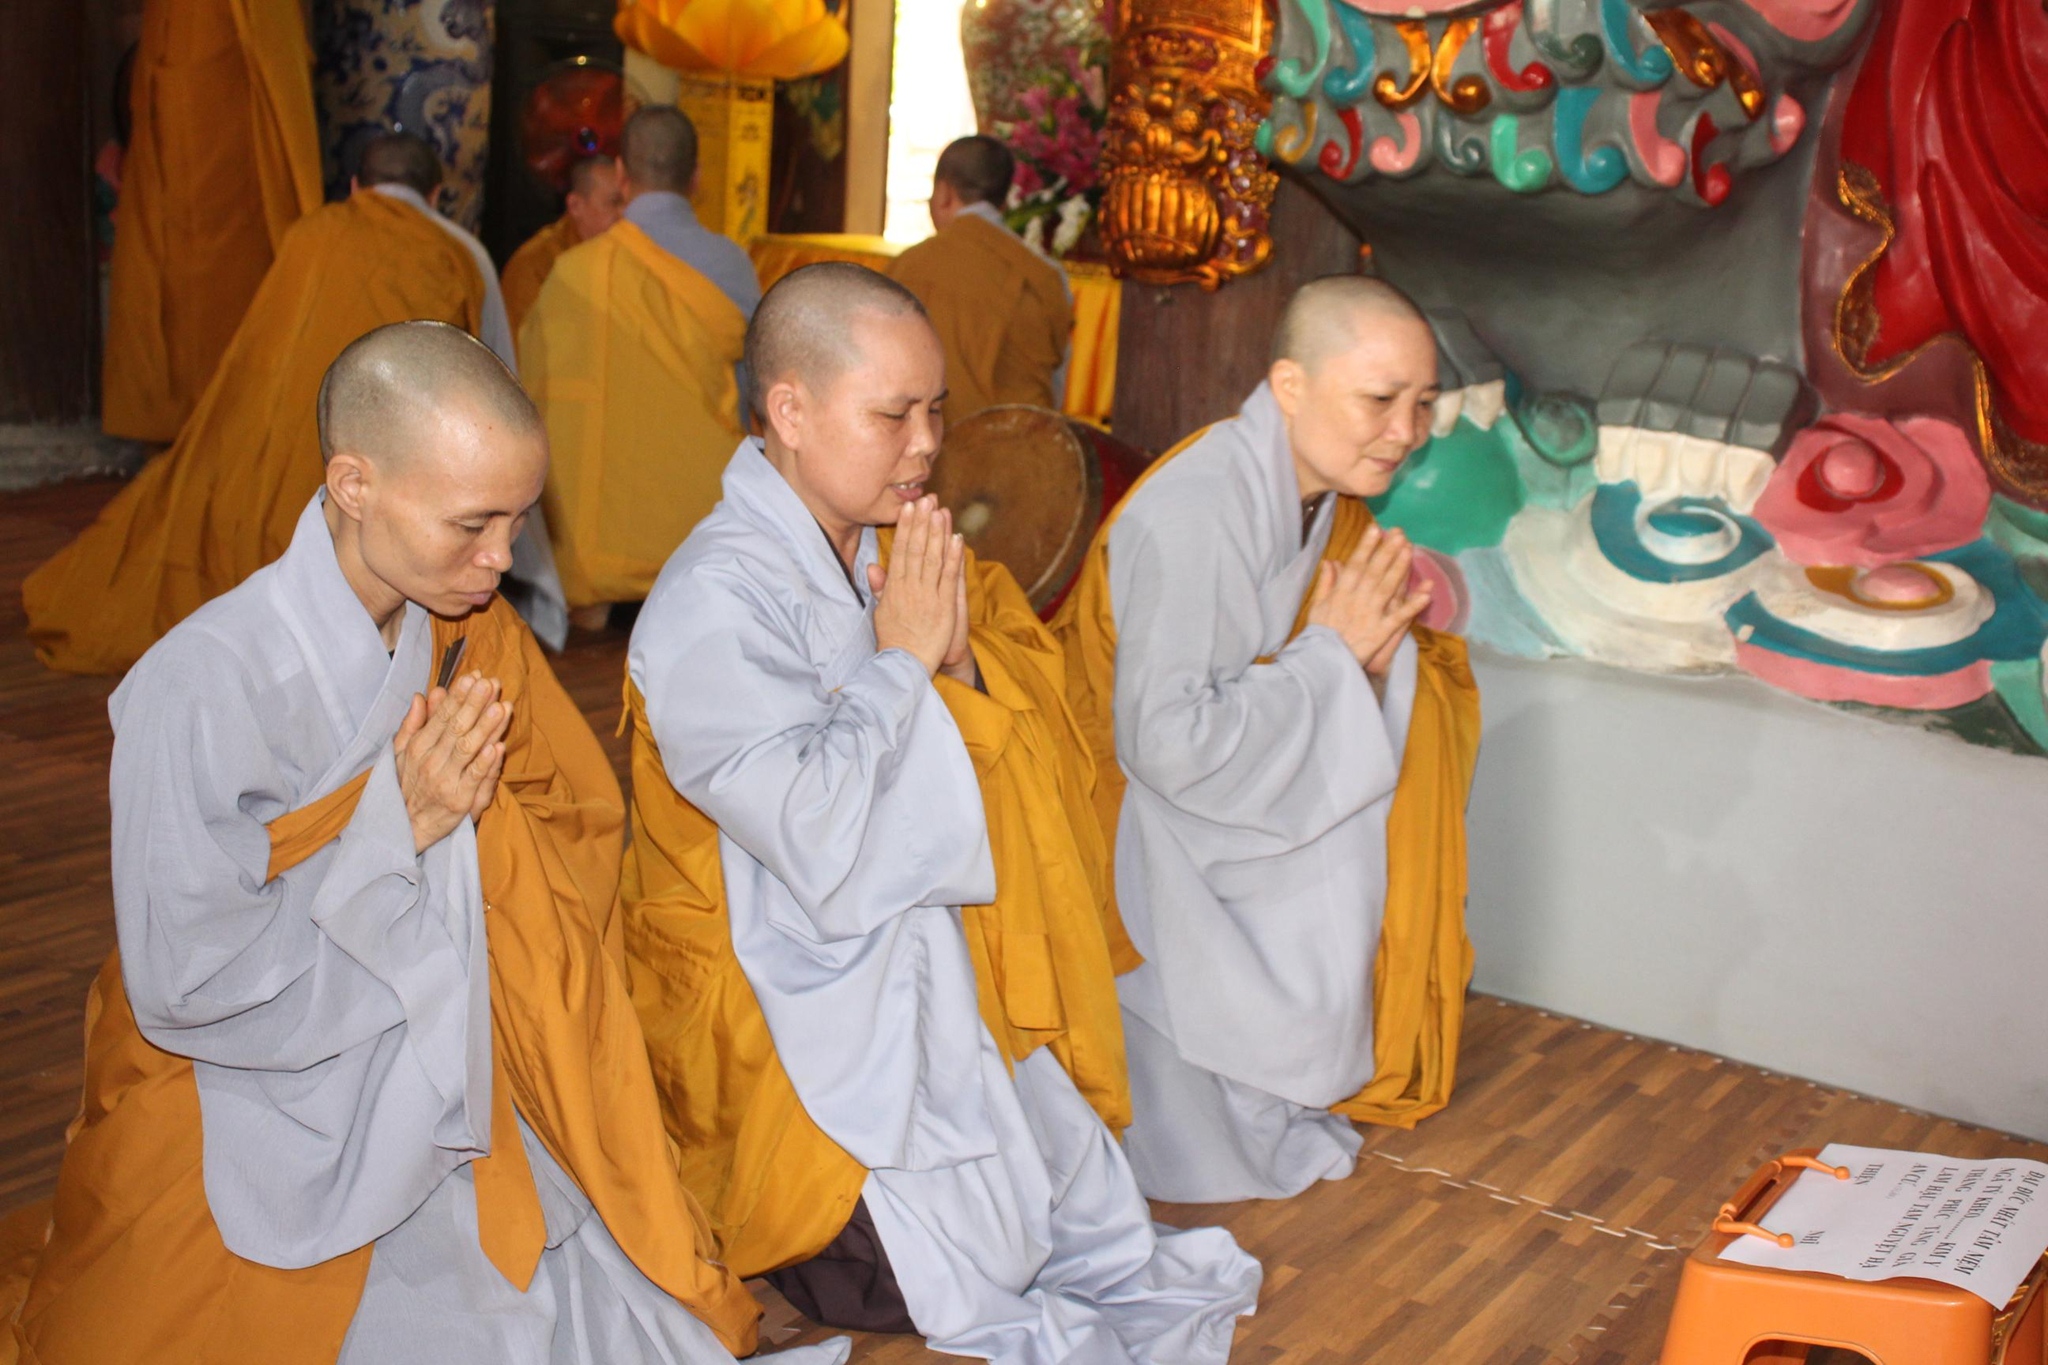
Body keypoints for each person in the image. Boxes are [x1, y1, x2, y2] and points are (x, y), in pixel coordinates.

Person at [6, 322, 849, 1365]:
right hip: (257, 1084)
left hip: (457, 1060)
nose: (500, 559)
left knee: (584, 1319)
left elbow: (571, 830)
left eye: (518, 522)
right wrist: (399, 827)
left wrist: (471, 847)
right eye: (471, 523)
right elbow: (187, 979)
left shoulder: (467, 632)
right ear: (354, 485)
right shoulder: (201, 683)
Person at [620, 263, 1261, 1364]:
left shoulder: (877, 546)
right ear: (789, 411)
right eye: (892, 415)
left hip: (924, 955)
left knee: (1066, 1213)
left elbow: (988, 741)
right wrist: (906, 662)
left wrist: (956, 665)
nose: (924, 444)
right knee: (945, 1273)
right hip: (784, 996)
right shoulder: (711, 601)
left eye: (935, 410)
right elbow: (810, 830)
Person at [1051, 275, 1484, 1204]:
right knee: (1328, 864)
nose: (1405, 431)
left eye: (1422, 403)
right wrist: (1333, 663)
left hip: (1242, 775)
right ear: (1291, 385)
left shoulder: (1318, 496)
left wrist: (1360, 667)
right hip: (1146, 814)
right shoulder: (1198, 509)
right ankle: (1211, 1119)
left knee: (1352, 835)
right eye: (1380, 399)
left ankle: (1272, 1093)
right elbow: (1166, 744)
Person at [25, 133, 567, 675]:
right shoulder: (458, 251)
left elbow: (263, 344)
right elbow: (494, 379)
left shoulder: (309, 233)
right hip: (398, 453)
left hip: (294, 432)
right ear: (435, 195)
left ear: (355, 186)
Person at [521, 108, 756, 626]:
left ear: (622, 175)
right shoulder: (732, 265)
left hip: (594, 555)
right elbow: (754, 396)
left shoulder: (577, 272)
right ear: (697, 178)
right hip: (703, 537)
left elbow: (537, 391)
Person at [101, 0, 324, 444]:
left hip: (222, 79)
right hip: (194, 76)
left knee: (232, 246)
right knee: (190, 246)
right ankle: (192, 418)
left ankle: (237, 414)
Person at [887, 136, 1071, 423]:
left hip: (928, 445)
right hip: (1022, 443)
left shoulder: (906, 267)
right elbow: (1055, 387)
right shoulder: (1044, 275)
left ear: (944, 193)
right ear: (1004, 198)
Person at [502, 155, 625, 340]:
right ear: (575, 205)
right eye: (614, 202)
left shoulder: (629, 252)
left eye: (627, 202)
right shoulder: (535, 264)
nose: (624, 214)